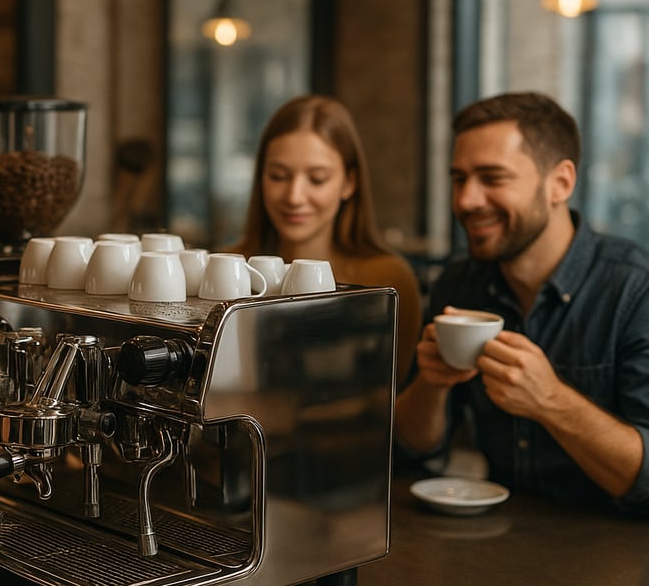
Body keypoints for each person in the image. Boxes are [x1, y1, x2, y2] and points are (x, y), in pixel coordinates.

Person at [394, 91, 649, 514]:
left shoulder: (634, 290)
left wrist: (550, 400)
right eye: (459, 179)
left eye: (492, 178)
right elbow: (412, 446)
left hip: (623, 552)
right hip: (503, 545)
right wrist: (432, 384)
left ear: (561, 183)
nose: (466, 201)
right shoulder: (460, 284)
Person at [232, 94, 423, 369]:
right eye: (278, 176)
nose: (294, 196)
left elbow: (389, 399)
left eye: (317, 179)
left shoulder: (387, 280)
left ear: (349, 182)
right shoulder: (231, 266)